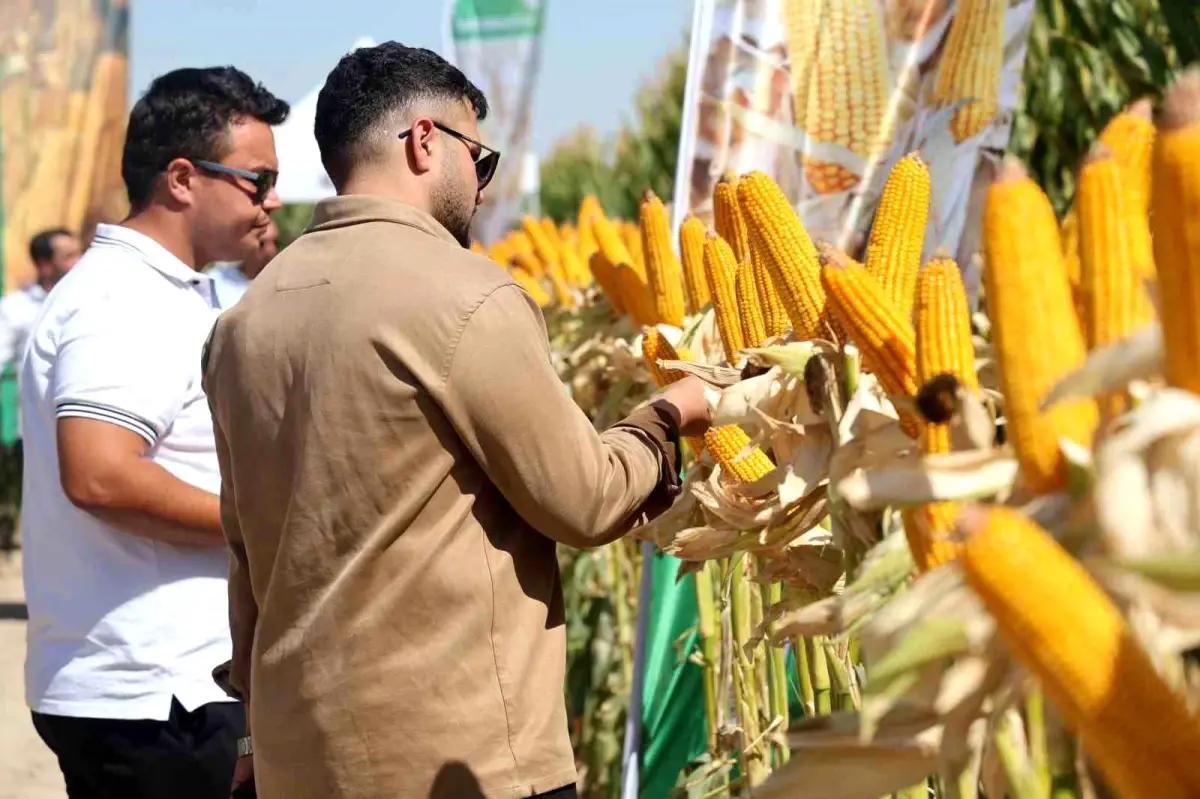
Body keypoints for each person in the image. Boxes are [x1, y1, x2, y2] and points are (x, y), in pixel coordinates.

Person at [201, 42, 711, 799]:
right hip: (459, 759)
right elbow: (585, 498)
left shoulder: (245, 321)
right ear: (424, 142)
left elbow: (246, 556)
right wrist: (667, 416)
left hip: (298, 758)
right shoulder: (465, 295)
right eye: (481, 156)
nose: (481, 184)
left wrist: (249, 730)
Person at [20, 66, 288, 798]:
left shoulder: (165, 290)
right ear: (181, 178)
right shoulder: (122, 299)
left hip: (168, 689)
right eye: (256, 180)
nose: (272, 200)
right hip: (153, 696)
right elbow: (100, 472)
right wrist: (262, 522)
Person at [0, 229, 81, 374]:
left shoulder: (92, 300)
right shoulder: (15, 306)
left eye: (80, 253)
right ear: (44, 265)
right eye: (69, 256)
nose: (79, 262)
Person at [209, 216, 280, 308]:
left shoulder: (286, 284)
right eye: (262, 244)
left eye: (275, 242)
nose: (271, 250)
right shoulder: (217, 282)